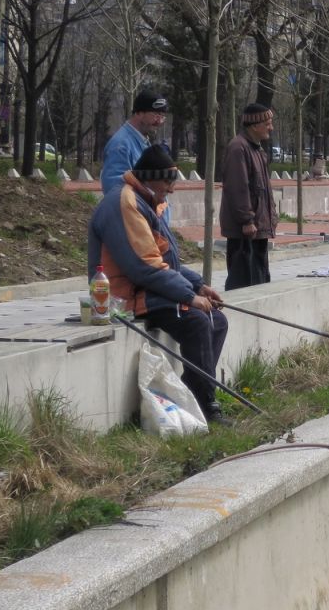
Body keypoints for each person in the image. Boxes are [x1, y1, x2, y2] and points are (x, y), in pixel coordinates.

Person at [87, 145, 231, 424]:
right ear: (150, 178)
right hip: (126, 298)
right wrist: (189, 297)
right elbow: (144, 268)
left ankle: (189, 393)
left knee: (217, 320)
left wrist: (198, 286)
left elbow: (165, 261)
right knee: (198, 322)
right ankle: (207, 405)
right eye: (168, 181)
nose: (172, 189)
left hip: (148, 290)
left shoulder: (145, 202)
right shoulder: (124, 203)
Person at [219, 103, 277, 291]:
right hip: (245, 232)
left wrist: (271, 217)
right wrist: (246, 220)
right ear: (254, 125)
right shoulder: (239, 148)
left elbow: (263, 188)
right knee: (244, 283)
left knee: (259, 281)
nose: (271, 127)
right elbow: (238, 188)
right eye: (267, 123)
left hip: (257, 229)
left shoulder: (256, 149)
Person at [101, 89, 168, 193]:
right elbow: (116, 192)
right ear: (139, 113)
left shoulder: (142, 142)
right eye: (156, 115)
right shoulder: (121, 146)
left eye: (162, 117)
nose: (159, 122)